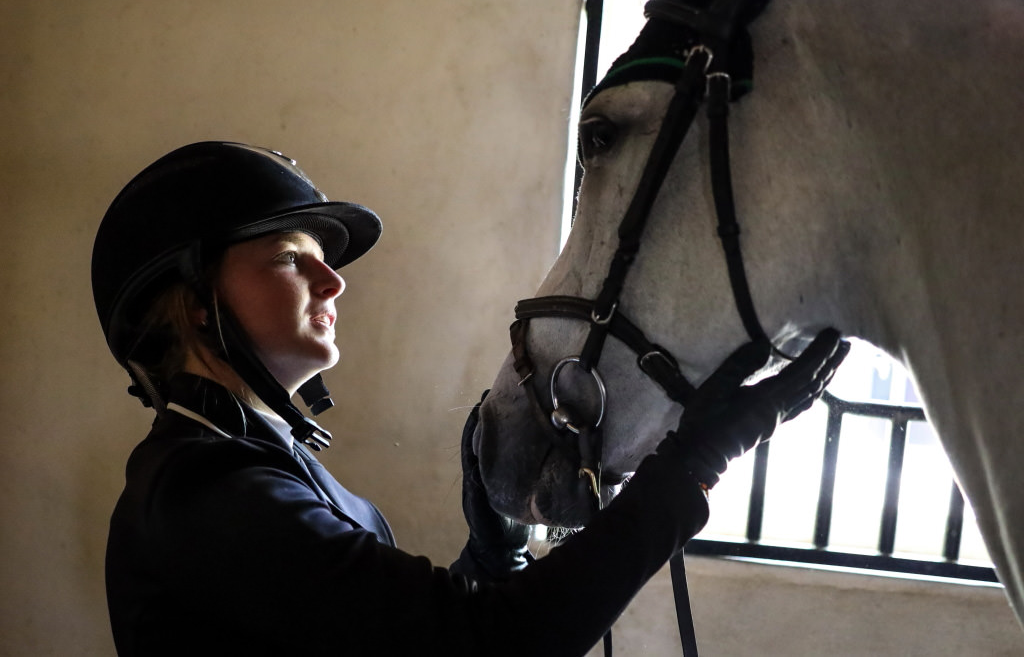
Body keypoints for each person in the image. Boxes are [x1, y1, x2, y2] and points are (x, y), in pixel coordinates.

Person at [92, 141, 849, 656]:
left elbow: (412, 638)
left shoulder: (254, 466)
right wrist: (691, 464)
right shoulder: (203, 493)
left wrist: (492, 553)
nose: (334, 282)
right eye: (292, 259)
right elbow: (485, 644)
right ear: (197, 304)